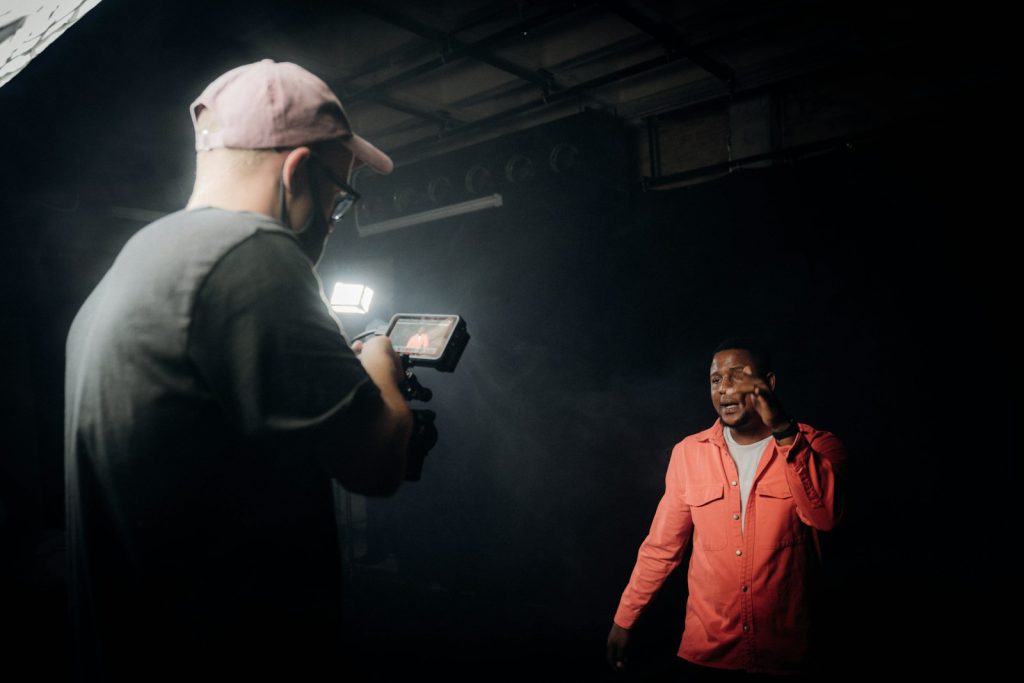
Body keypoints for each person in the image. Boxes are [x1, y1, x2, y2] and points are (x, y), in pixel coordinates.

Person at [65, 60, 412, 681]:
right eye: (341, 195)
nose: (335, 220)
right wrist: (381, 366)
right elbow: (378, 459)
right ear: (297, 171)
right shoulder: (251, 253)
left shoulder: (134, 264)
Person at [607, 338, 847, 677]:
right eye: (716, 379)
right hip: (707, 655)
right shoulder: (689, 453)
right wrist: (625, 618)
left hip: (789, 656)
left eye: (737, 376)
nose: (724, 388)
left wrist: (782, 430)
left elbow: (826, 517)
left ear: (769, 384)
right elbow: (662, 549)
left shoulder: (819, 446)